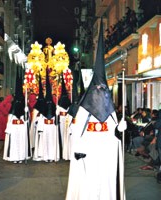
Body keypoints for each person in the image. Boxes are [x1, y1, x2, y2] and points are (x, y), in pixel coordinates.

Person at [65, 19, 125, 200]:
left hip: (107, 152)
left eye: (103, 88)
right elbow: (75, 130)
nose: (100, 91)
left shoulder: (110, 108)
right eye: (97, 88)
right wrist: (79, 148)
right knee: (89, 186)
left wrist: (120, 129)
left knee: (105, 182)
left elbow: (115, 132)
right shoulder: (84, 109)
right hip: (89, 152)